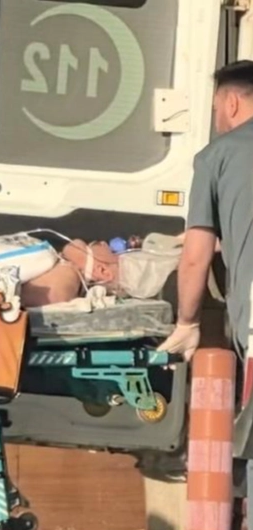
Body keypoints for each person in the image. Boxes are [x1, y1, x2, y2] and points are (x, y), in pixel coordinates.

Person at [155, 60, 253, 510]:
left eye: (215, 107)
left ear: (231, 102)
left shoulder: (218, 155)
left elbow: (195, 255)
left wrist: (187, 321)